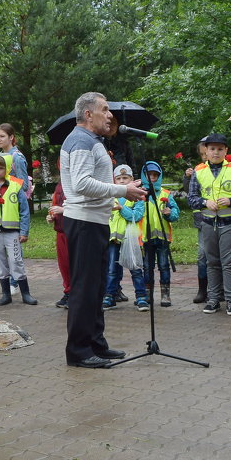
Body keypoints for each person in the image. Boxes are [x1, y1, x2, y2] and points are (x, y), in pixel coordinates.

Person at [60, 92, 147, 369]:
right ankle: (79, 352)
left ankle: (96, 344)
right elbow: (82, 184)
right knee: (85, 288)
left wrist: (113, 196)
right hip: (84, 222)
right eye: (105, 109)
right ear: (88, 114)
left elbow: (89, 183)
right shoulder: (82, 140)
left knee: (95, 287)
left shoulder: (90, 141)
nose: (110, 115)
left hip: (94, 221)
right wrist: (123, 190)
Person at [188, 133, 231, 316]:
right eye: (212, 149)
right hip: (208, 222)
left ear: (226, 151)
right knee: (212, 262)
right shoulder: (199, 171)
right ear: (206, 151)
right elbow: (192, 198)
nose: (216, 152)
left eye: (220, 149)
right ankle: (213, 299)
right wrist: (204, 202)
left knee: (229, 263)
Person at [0, 124, 31, 295]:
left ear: (11, 137)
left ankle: (14, 282)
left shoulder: (16, 157)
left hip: (12, 206)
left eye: (2, 136)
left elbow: (24, 184)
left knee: (12, 248)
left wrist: (10, 186)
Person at [0, 155, 34, 306]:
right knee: (0, 263)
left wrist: (24, 232)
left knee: (16, 261)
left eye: (1, 168)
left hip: (12, 233)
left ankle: (26, 293)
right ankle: (5, 294)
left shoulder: (16, 186)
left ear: (8, 169)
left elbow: (24, 211)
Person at [103, 165, 148, 310]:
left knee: (135, 267)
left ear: (131, 180)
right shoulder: (110, 196)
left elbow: (136, 216)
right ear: (114, 181)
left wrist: (122, 209)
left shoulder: (137, 196)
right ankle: (110, 296)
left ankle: (141, 297)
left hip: (130, 239)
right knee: (111, 269)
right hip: (112, 239)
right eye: (119, 178)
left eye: (125, 178)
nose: (122, 181)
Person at [140, 160, 179, 309]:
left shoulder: (166, 194)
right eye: (149, 175)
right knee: (147, 266)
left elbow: (175, 213)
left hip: (163, 238)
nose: (153, 178)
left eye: (155, 175)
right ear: (144, 176)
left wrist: (170, 213)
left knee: (164, 266)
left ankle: (165, 295)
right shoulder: (140, 193)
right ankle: (148, 294)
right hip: (145, 237)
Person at [182, 141, 210, 304]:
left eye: (208, 151)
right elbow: (189, 191)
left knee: (220, 256)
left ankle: (222, 288)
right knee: (202, 255)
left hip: (223, 219)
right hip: (202, 220)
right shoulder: (198, 170)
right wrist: (187, 177)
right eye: (202, 154)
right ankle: (202, 289)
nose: (205, 156)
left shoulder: (228, 169)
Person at [47, 169, 71, 309]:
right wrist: (52, 217)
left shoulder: (76, 181)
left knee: (74, 264)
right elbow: (55, 204)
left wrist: (63, 211)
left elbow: (82, 206)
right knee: (64, 265)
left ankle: (74, 294)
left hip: (74, 230)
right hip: (60, 231)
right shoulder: (60, 185)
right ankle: (68, 292)